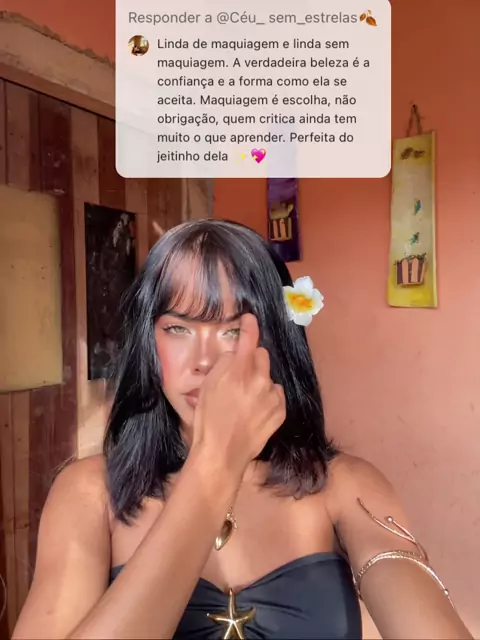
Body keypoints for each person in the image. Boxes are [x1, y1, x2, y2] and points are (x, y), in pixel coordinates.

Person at [13, 220, 472, 639]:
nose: (204, 362)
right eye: (178, 329)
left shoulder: (346, 488)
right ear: (150, 343)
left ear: (278, 341)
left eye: (232, 331)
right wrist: (216, 462)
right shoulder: (89, 493)